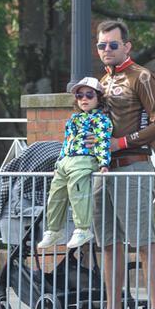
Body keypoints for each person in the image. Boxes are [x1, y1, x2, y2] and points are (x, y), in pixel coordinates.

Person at [80, 20, 155, 309]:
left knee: (144, 242)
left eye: (113, 45)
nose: (106, 50)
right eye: (101, 45)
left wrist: (122, 142)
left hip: (133, 165)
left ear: (127, 46)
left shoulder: (141, 76)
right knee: (107, 244)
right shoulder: (102, 82)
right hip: (104, 170)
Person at [37, 77, 112, 250]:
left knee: (78, 191)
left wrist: (103, 163)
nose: (84, 99)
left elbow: (102, 141)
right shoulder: (73, 119)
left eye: (89, 95)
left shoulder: (101, 120)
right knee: (56, 194)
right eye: (79, 95)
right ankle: (54, 229)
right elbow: (66, 142)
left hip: (84, 159)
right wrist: (60, 161)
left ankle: (82, 228)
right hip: (66, 160)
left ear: (98, 98)